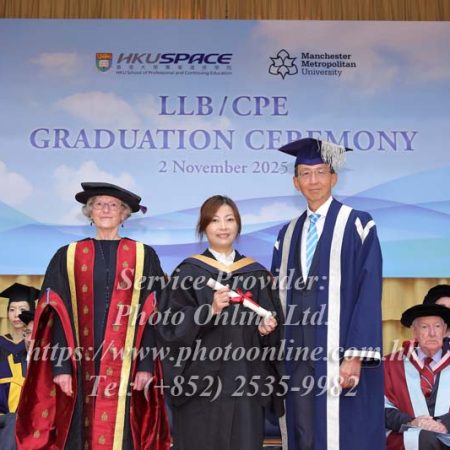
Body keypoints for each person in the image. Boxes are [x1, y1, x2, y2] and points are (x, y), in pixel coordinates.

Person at [15, 182, 170, 450]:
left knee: (125, 432)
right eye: (99, 204)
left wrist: (145, 365)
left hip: (127, 365)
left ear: (124, 213)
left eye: (113, 205)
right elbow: (57, 315)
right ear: (90, 212)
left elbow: (151, 316)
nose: (106, 209)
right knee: (78, 430)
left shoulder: (144, 256)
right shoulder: (68, 256)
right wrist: (61, 367)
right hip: (79, 364)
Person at [271, 138, 385, 450]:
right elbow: (277, 296)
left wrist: (355, 354)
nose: (314, 181)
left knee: (346, 433)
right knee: (304, 433)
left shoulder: (358, 224)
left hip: (340, 352)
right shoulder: (287, 233)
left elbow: (369, 290)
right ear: (295, 182)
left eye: (321, 172)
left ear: (334, 178)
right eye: (305, 174)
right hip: (297, 357)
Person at [157, 195, 284, 450]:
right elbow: (169, 328)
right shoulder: (188, 273)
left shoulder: (256, 273)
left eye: (229, 220)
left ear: (238, 225)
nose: (223, 227)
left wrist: (265, 331)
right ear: (204, 226)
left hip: (245, 383)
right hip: (200, 386)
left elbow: (275, 336)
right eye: (214, 220)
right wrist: (208, 311)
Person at [384, 303, 450, 450]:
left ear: (445, 330)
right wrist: (411, 422)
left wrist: (444, 424)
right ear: (414, 331)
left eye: (437, 326)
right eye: (424, 327)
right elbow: (380, 407)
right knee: (423, 438)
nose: (432, 333)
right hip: (407, 434)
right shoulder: (390, 364)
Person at [0, 284, 39, 450]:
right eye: (12, 309)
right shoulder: (1, 343)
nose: (16, 315)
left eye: (22, 309)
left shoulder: (37, 346)